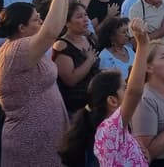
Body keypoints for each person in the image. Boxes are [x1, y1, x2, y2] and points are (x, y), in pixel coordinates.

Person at [0, 0, 71, 167]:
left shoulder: (27, 48)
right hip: (30, 139)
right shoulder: (15, 51)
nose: (42, 23)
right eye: (37, 20)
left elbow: (57, 25)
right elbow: (51, 33)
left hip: (46, 136)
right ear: (22, 28)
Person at [58, 18, 151, 167]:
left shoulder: (113, 128)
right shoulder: (109, 129)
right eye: (123, 88)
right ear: (112, 101)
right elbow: (134, 92)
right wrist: (143, 45)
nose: (127, 90)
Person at [52, 2, 101, 114]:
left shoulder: (88, 39)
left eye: (85, 15)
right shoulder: (62, 45)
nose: (85, 19)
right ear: (67, 22)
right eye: (79, 17)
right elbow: (70, 80)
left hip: (95, 101)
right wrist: (89, 61)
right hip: (75, 107)